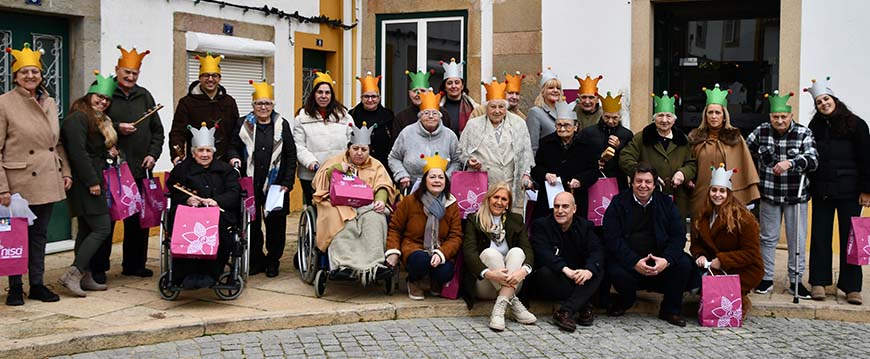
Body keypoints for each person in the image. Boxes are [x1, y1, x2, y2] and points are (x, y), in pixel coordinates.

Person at [0, 43, 72, 305]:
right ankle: (16, 286)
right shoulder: (4, 104)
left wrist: (65, 170)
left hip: (46, 177)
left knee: (39, 234)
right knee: (16, 235)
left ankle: (38, 284)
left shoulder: (50, 102)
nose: (30, 76)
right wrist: (2, 187)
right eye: (24, 72)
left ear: (42, 75)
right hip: (17, 181)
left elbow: (56, 141)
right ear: (15, 75)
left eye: (35, 72)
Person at [90, 45, 164, 283]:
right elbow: (93, 124)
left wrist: (153, 154)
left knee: (138, 222)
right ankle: (99, 268)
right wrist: (118, 126)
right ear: (117, 70)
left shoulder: (145, 96)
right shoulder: (105, 94)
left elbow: (157, 131)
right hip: (113, 170)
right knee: (108, 220)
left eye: (134, 73)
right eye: (126, 72)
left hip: (141, 169)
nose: (130, 77)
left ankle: (134, 265)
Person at [602, 162, 694, 327]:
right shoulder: (618, 202)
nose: (643, 185)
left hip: (659, 264)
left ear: (654, 184)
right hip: (630, 265)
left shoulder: (666, 202)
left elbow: (678, 236)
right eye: (639, 181)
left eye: (647, 182)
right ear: (632, 182)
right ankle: (625, 302)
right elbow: (612, 238)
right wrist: (634, 262)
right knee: (613, 269)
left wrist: (666, 260)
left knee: (684, 263)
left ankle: (670, 310)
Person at [804, 77, 870, 304]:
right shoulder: (815, 127)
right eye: (819, 101)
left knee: (851, 239)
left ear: (835, 100)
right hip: (822, 190)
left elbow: (866, 159)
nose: (823, 103)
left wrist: (867, 190)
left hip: (850, 191)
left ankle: (852, 287)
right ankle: (819, 283)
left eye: (826, 99)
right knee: (820, 237)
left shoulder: (857, 124)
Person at [746, 90, 818, 298]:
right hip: (770, 193)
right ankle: (766, 278)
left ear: (790, 116)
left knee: (797, 238)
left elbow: (813, 160)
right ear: (770, 117)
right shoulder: (761, 131)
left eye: (783, 117)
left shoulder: (804, 133)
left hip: (796, 195)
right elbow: (743, 148)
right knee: (768, 238)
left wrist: (791, 163)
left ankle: (796, 280)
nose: (779, 120)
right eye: (775, 117)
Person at [57, 72, 120, 297]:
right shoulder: (78, 118)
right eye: (99, 97)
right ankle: (73, 274)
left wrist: (107, 150)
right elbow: (77, 153)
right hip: (86, 182)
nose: (103, 101)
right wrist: (92, 181)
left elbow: (91, 149)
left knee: (86, 228)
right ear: (89, 95)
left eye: (107, 99)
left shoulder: (96, 119)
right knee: (102, 227)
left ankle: (84, 275)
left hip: (94, 177)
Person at [311, 123, 398, 284]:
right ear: (349, 148)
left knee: (375, 218)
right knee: (343, 221)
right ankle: (343, 265)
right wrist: (337, 169)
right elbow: (321, 181)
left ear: (369, 150)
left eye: (363, 150)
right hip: (338, 204)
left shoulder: (376, 165)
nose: (359, 153)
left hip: (367, 205)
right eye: (355, 149)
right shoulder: (335, 160)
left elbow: (383, 184)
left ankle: (374, 264)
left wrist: (380, 199)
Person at [228, 80, 296, 278]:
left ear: (273, 105)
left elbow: (291, 155)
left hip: (276, 184)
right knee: (252, 222)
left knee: (276, 224)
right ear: (253, 106)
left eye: (267, 103)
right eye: (259, 104)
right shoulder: (243, 124)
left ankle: (273, 260)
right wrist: (233, 156)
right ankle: (256, 259)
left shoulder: (282, 125)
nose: (263, 107)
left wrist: (287, 183)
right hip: (249, 183)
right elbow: (232, 145)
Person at [166, 124, 241, 289]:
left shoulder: (226, 170)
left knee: (220, 236)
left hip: (218, 216)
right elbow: (173, 191)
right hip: (188, 215)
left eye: (208, 150)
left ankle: (211, 274)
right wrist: (187, 200)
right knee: (185, 233)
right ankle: (184, 275)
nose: (205, 154)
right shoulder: (181, 170)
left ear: (214, 152)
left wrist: (217, 201)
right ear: (193, 153)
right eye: (201, 151)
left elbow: (234, 192)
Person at [690, 165, 763, 319]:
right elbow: (697, 243)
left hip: (744, 268)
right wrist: (700, 255)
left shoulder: (743, 218)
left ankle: (740, 299)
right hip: (713, 265)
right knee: (693, 283)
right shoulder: (703, 215)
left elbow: (751, 253)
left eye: (722, 191)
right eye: (714, 190)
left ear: (728, 193)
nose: (717, 195)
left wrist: (722, 260)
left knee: (711, 287)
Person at [386, 154, 462, 300]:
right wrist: (393, 250)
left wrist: (441, 253)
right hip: (414, 247)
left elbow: (456, 236)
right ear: (425, 180)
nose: (437, 181)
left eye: (441, 177)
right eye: (432, 177)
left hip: (439, 247)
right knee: (420, 260)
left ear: (446, 181)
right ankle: (414, 280)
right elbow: (395, 228)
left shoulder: (451, 204)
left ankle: (434, 280)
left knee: (446, 271)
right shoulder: (410, 201)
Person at [462, 183, 536, 331]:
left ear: (508, 203)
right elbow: (469, 252)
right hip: (485, 283)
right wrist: (489, 273)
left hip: (514, 280)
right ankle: (513, 303)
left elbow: (528, 250)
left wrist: (524, 271)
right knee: (490, 253)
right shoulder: (474, 219)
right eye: (496, 197)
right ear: (488, 198)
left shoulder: (515, 219)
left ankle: (499, 311)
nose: (499, 202)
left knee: (517, 252)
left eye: (504, 199)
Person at [531, 192, 603, 332]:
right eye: (556, 206)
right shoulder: (541, 225)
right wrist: (565, 269)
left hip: (577, 277)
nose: (560, 211)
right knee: (545, 273)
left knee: (597, 269)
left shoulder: (585, 226)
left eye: (565, 206)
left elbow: (597, 251)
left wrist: (588, 270)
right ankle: (585, 305)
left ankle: (564, 311)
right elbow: (543, 253)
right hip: (554, 278)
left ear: (574, 209)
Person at [620, 91, 697, 219]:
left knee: (675, 232)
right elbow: (625, 158)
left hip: (677, 198)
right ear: (654, 118)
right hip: (647, 197)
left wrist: (682, 173)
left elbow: (691, 163)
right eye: (660, 115)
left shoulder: (683, 140)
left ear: (674, 119)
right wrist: (645, 175)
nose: (664, 120)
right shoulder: (642, 138)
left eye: (668, 116)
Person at [687, 84, 760, 213]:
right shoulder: (695, 138)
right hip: (700, 192)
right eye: (710, 112)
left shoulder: (735, 138)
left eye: (717, 112)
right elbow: (689, 163)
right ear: (705, 116)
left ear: (724, 116)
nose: (714, 116)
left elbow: (744, 168)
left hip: (726, 194)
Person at [458, 78, 534, 202]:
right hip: (482, 186)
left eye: (501, 107)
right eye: (493, 107)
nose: (497, 111)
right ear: (486, 107)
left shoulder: (519, 123)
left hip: (509, 186)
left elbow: (526, 153)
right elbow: (460, 153)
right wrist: (468, 161)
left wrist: (526, 174)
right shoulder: (473, 125)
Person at [530, 99, 599, 219]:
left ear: (576, 126)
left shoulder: (588, 145)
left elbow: (594, 171)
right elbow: (535, 169)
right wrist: (546, 175)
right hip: (548, 199)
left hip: (576, 197)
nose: (562, 129)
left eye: (566, 125)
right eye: (559, 125)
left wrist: (580, 180)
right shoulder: (546, 143)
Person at [293, 71, 353, 205]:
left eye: (327, 92)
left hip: (339, 172)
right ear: (314, 94)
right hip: (312, 174)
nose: (323, 96)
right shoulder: (302, 118)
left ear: (332, 95)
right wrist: (312, 163)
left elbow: (351, 142)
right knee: (317, 207)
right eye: (320, 92)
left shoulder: (345, 117)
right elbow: (299, 146)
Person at [169, 52, 240, 163]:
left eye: (214, 75)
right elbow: (178, 132)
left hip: (225, 163)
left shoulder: (229, 102)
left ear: (219, 78)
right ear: (200, 78)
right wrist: (177, 155)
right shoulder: (186, 103)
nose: (210, 79)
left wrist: (234, 156)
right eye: (206, 75)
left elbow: (236, 133)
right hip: (196, 162)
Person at [388, 91, 461, 191]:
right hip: (412, 186)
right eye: (426, 113)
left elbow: (457, 161)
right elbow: (394, 158)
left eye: (435, 113)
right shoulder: (406, 133)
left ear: (440, 116)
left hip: (441, 187)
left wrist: (445, 178)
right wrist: (402, 174)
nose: (431, 116)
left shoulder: (450, 136)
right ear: (420, 116)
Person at [580, 91, 634, 191]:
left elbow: (630, 158)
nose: (610, 121)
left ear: (620, 116)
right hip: (594, 179)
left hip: (618, 181)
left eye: (614, 118)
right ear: (602, 115)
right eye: (607, 117)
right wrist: (596, 163)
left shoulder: (627, 134)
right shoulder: (588, 132)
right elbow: (580, 156)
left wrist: (619, 147)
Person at [348, 72, 396, 176]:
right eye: (366, 96)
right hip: (357, 168)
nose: (370, 100)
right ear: (361, 98)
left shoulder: (389, 116)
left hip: (383, 167)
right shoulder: (351, 115)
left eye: (374, 96)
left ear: (379, 98)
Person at [392, 69, 451, 134]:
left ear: (429, 92)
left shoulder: (443, 115)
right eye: (415, 91)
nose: (418, 94)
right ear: (409, 93)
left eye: (422, 91)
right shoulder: (401, 118)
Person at [525, 67, 563, 154]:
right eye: (551, 88)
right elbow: (532, 146)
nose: (555, 91)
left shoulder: (563, 111)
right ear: (543, 91)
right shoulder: (535, 112)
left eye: (558, 88)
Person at [438, 58, 480, 135]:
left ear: (462, 86)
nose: (453, 86)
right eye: (449, 83)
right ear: (444, 87)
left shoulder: (474, 107)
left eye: (457, 82)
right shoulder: (437, 107)